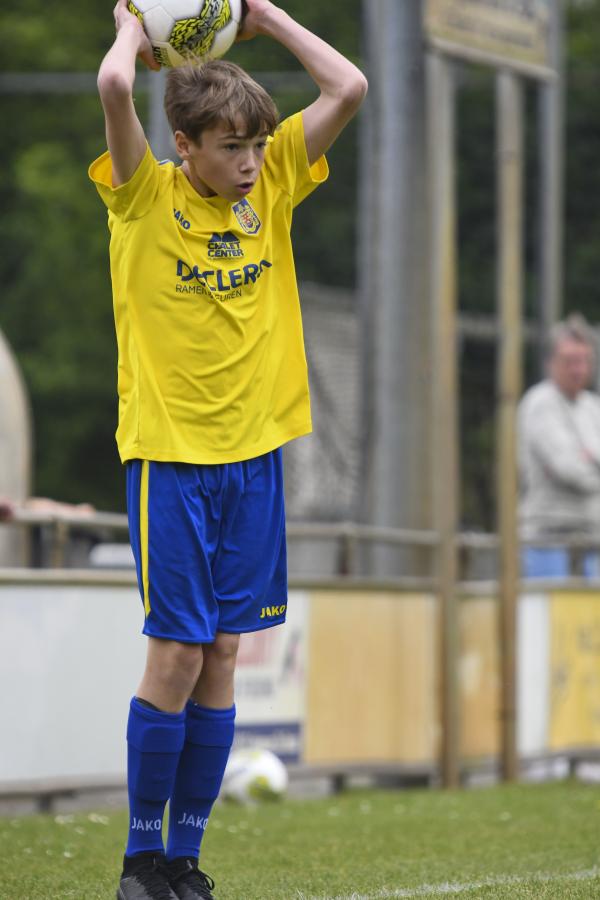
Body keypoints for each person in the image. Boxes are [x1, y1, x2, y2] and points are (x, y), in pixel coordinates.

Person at [89, 2, 367, 898]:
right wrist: (141, 25)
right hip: (169, 458)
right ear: (183, 147)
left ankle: (185, 862)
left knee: (220, 658)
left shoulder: (277, 179)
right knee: (173, 652)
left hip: (253, 462)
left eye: (255, 143)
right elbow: (112, 83)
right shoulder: (142, 197)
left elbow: (349, 84)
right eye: (228, 146)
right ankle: (139, 863)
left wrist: (262, 18)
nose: (249, 161)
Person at [518, 314, 600, 578]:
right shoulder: (540, 404)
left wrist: (589, 458)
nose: (578, 369)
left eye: (584, 360)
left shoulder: (592, 407)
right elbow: (569, 470)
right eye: (569, 361)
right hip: (547, 543)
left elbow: (580, 467)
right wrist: (588, 460)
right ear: (551, 363)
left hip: (592, 542)